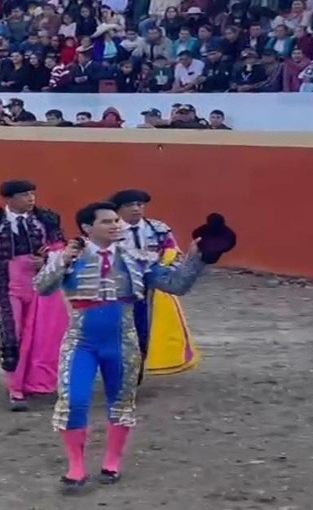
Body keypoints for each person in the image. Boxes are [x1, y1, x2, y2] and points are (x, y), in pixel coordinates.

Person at [34, 203, 235, 492]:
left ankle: (112, 462)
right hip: (81, 343)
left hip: (122, 341)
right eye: (107, 222)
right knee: (74, 402)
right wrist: (63, 260)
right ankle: (76, 468)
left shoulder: (136, 257)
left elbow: (176, 284)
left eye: (117, 220)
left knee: (121, 403)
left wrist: (199, 256)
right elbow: (41, 287)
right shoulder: (68, 256)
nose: (116, 225)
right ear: (87, 228)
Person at [0, 180, 70, 411]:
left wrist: (48, 259)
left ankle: (35, 382)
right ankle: (15, 388)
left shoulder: (47, 219)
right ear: (9, 199)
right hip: (7, 285)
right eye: (24, 195)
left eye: (32, 193)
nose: (31, 198)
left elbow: (64, 248)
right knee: (12, 335)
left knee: (42, 335)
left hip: (43, 284)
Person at [109, 190, 200, 382]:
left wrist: (166, 269)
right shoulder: (108, 229)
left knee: (142, 332)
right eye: (129, 205)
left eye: (139, 205)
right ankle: (120, 373)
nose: (136, 209)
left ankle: (134, 375)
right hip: (116, 288)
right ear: (118, 210)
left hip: (148, 286)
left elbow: (173, 254)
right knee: (117, 333)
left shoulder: (158, 229)